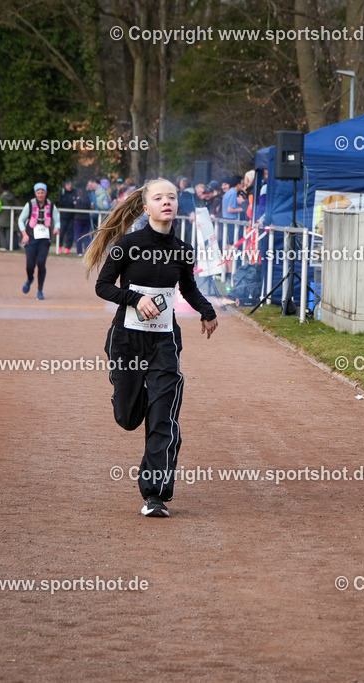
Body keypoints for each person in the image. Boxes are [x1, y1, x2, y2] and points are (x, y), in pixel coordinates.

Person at [85, 178, 218, 518]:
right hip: (127, 342)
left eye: (172, 197)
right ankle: (135, 396)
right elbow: (103, 286)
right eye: (158, 198)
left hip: (164, 343)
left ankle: (155, 495)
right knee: (128, 418)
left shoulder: (182, 250)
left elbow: (187, 289)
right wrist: (134, 298)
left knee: (163, 419)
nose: (166, 202)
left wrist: (207, 311)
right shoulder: (128, 244)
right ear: (146, 207)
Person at [19, 182, 61, 300]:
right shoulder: (30, 205)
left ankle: (40, 290)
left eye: (43, 192)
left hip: (44, 239)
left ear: (46, 193)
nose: (41, 194)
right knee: (30, 265)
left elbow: (57, 220)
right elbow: (20, 220)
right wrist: (24, 234)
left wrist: (57, 228)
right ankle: (30, 278)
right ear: (35, 193)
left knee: (41, 263)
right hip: (31, 237)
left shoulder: (51, 206)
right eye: (38, 192)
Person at [0, 184, 17, 250]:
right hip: (10, 217)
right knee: (9, 233)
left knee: (1, 232)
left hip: (2, 217)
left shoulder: (1, 197)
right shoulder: (12, 197)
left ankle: (3, 246)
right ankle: (9, 246)